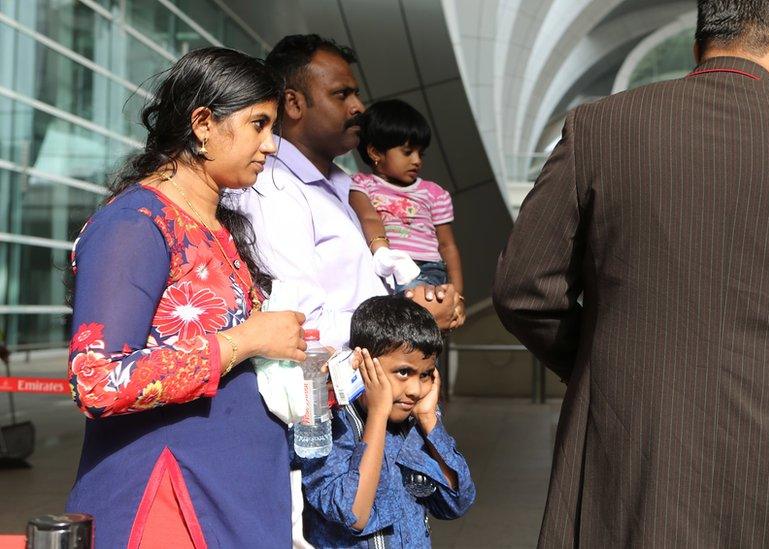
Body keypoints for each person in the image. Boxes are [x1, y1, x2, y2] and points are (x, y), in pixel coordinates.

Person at [493, 0, 769, 546]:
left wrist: (602, 361)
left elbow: (524, 290)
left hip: (639, 461)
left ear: (698, 46)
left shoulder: (598, 129)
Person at [226, 34, 462, 547]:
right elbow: (297, 324)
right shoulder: (271, 190)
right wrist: (405, 318)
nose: (359, 107)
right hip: (331, 420)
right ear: (293, 102)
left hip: (373, 398)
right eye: (341, 95)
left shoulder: (344, 184)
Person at [65, 47, 307, 548]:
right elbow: (98, 381)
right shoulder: (134, 225)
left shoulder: (216, 226)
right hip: (172, 499)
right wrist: (244, 341)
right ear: (203, 123)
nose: (271, 145)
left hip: (236, 494)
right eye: (258, 124)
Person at [299, 296, 475, 548]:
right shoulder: (330, 424)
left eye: (425, 375)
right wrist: (378, 416)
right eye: (403, 372)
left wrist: (428, 419)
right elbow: (354, 515)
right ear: (363, 362)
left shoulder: (414, 424)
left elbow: (457, 502)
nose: (415, 389)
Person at [350, 100, 465, 307]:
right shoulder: (361, 184)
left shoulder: (435, 193)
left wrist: (457, 294)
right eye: (407, 152)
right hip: (384, 267)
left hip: (428, 269)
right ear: (375, 152)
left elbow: (447, 246)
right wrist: (383, 252)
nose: (417, 160)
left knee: (417, 309)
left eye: (421, 153)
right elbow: (368, 217)